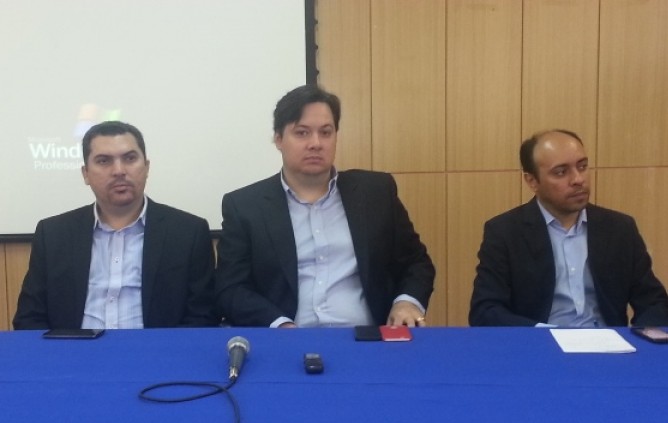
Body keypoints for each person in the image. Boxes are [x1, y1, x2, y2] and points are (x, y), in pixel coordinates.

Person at [215, 84, 435, 328]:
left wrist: (406, 302)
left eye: (326, 132)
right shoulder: (245, 206)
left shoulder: (375, 193)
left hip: (365, 338)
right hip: (287, 338)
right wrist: (280, 325)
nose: (316, 143)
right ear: (278, 139)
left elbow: (416, 263)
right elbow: (231, 287)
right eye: (302, 133)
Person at [13, 121, 218, 329]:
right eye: (104, 161)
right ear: (85, 174)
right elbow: (29, 319)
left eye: (130, 159)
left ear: (147, 167)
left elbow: (202, 318)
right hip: (74, 347)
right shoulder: (53, 234)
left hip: (154, 348)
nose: (119, 170)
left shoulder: (188, 233)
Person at [469, 129, 668, 327]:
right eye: (561, 172)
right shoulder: (505, 232)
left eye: (582, 167)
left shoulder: (619, 229)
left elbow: (654, 302)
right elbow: (485, 310)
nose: (578, 179)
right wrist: (543, 334)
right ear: (532, 181)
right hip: (540, 341)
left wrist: (640, 336)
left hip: (606, 342)